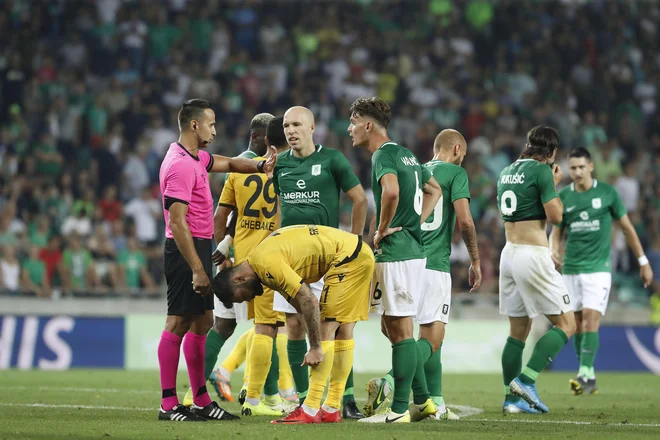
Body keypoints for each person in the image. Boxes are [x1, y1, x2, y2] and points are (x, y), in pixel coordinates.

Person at [157, 99, 276, 422]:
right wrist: (197, 268)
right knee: (178, 322)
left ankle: (200, 400)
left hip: (197, 246)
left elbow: (228, 163)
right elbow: (177, 221)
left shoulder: (196, 158)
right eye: (211, 123)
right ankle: (168, 404)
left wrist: (260, 165)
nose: (215, 129)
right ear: (194, 126)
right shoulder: (180, 165)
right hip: (185, 251)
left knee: (203, 322)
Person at [363, 129, 481, 421]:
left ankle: (432, 401)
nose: (462, 161)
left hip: (404, 257)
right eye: (462, 156)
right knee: (432, 336)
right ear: (456, 149)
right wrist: (475, 260)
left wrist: (376, 236)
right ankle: (391, 382)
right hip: (435, 265)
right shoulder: (455, 174)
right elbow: (465, 221)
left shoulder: (413, 168)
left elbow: (383, 208)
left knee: (400, 332)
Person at [212, 224, 375, 424]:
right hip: (356, 253)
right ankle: (331, 408)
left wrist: (315, 347)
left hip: (349, 258)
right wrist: (313, 340)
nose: (247, 299)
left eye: (241, 297)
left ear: (238, 279)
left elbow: (309, 300)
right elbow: (299, 305)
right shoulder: (261, 264)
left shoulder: (266, 264)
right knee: (341, 330)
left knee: (328, 328)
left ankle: (310, 408)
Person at [347, 96, 442, 424]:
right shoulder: (408, 155)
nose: (349, 129)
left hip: (398, 253)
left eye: (354, 121)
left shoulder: (383, 155)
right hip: (407, 251)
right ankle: (424, 401)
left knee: (401, 331)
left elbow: (390, 192)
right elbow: (434, 190)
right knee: (391, 326)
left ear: (368, 125)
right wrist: (415, 219)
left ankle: (399, 410)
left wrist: (382, 229)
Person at [271, 106, 368, 419]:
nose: (290, 130)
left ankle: (340, 400)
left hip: (328, 258)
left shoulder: (332, 160)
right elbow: (279, 206)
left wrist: (354, 242)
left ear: (312, 128)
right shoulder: (279, 164)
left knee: (338, 329)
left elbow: (360, 199)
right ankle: (304, 400)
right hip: (290, 258)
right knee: (295, 326)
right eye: (286, 125)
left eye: (297, 124)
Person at [197, 114, 296, 417]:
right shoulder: (283, 167)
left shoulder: (236, 167)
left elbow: (222, 215)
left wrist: (223, 250)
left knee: (225, 326)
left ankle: (194, 392)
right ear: (262, 138)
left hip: (233, 260)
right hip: (265, 262)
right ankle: (267, 398)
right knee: (268, 328)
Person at [550, 148, 653, 395]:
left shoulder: (607, 194)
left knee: (591, 317)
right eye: (572, 168)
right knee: (576, 323)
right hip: (571, 268)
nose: (577, 172)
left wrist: (643, 261)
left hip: (598, 269)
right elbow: (556, 231)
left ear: (591, 166)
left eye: (581, 167)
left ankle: (584, 373)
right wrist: (554, 250)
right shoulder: (564, 196)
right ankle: (589, 374)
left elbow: (627, 228)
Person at [497, 125, 576, 414]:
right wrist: (554, 183)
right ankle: (527, 380)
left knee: (518, 331)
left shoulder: (506, 171)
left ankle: (511, 400)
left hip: (508, 253)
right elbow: (555, 215)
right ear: (552, 151)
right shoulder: (542, 171)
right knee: (567, 324)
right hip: (532, 254)